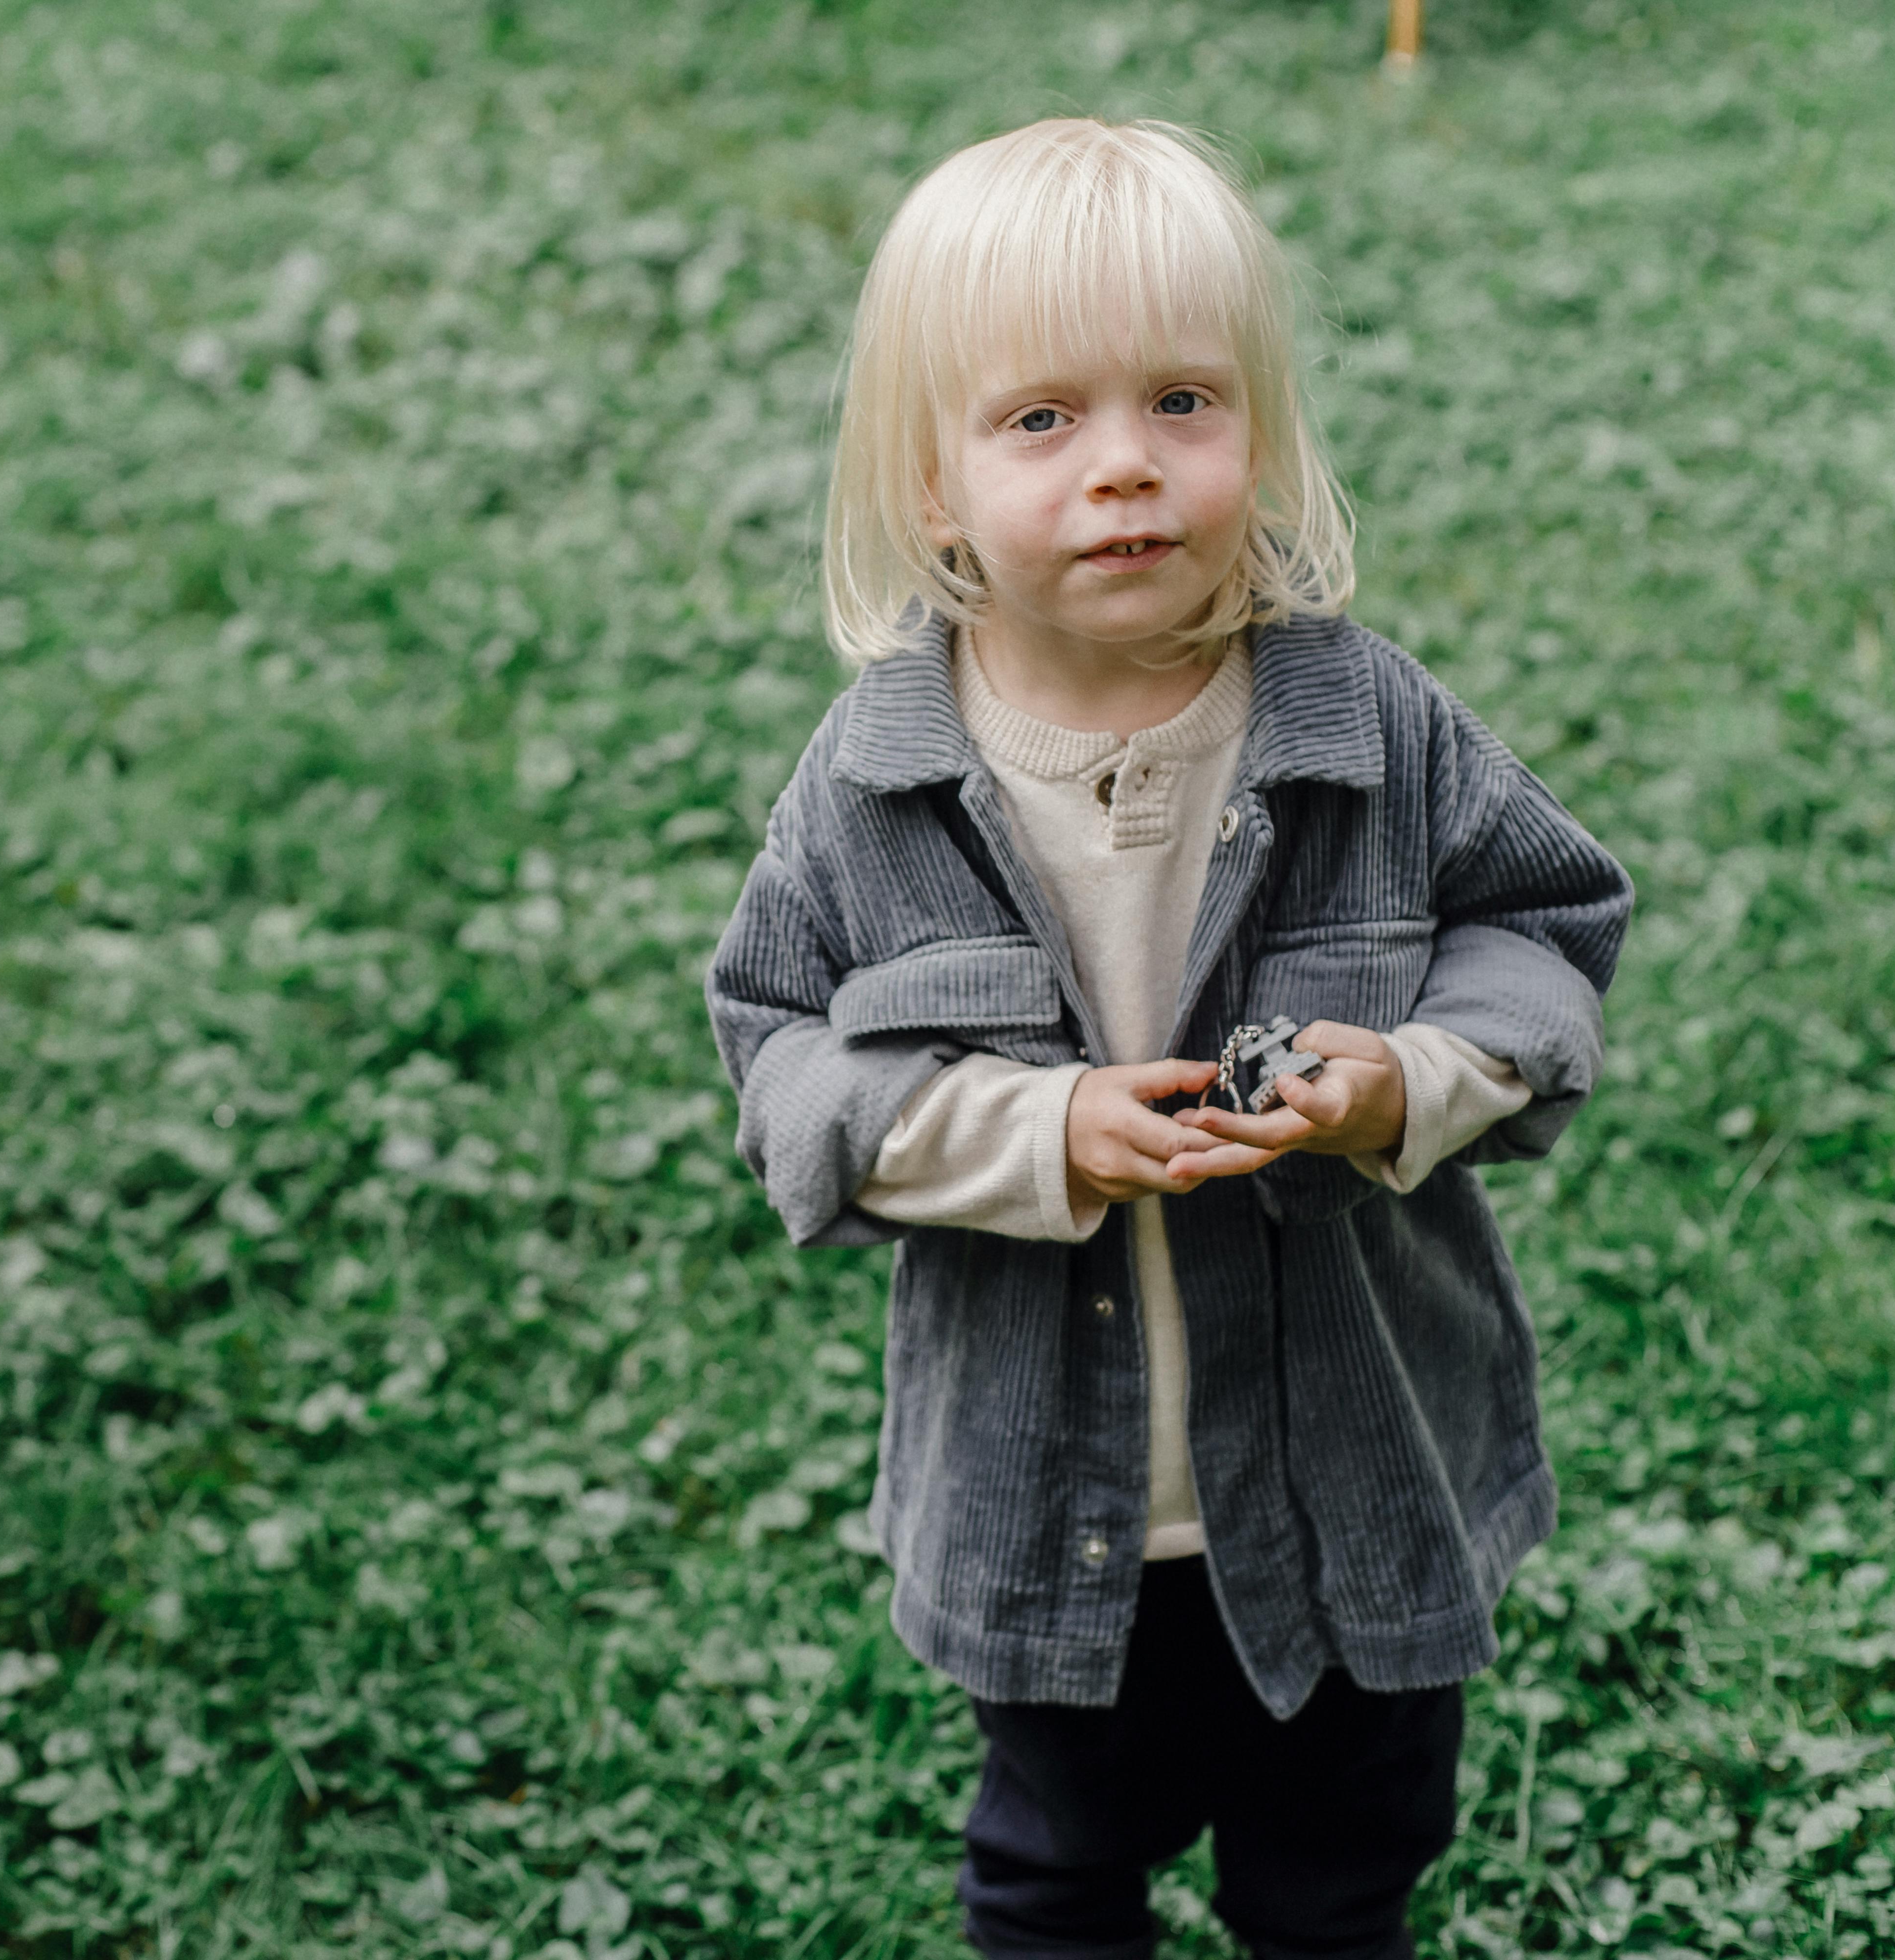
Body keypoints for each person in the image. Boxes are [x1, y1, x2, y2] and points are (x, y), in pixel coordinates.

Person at [704, 120, 1632, 1960]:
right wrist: (1031, 1133)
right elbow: (784, 1060)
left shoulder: (1363, 722)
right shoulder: (876, 788)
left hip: (1362, 1467)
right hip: (1050, 1504)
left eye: (1184, 402)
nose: (1126, 467)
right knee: (1058, 1884)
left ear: (1262, 436)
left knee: (1342, 1881)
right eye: (1042, 420)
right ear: (934, 483)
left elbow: (1542, 927)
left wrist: (1407, 1083)